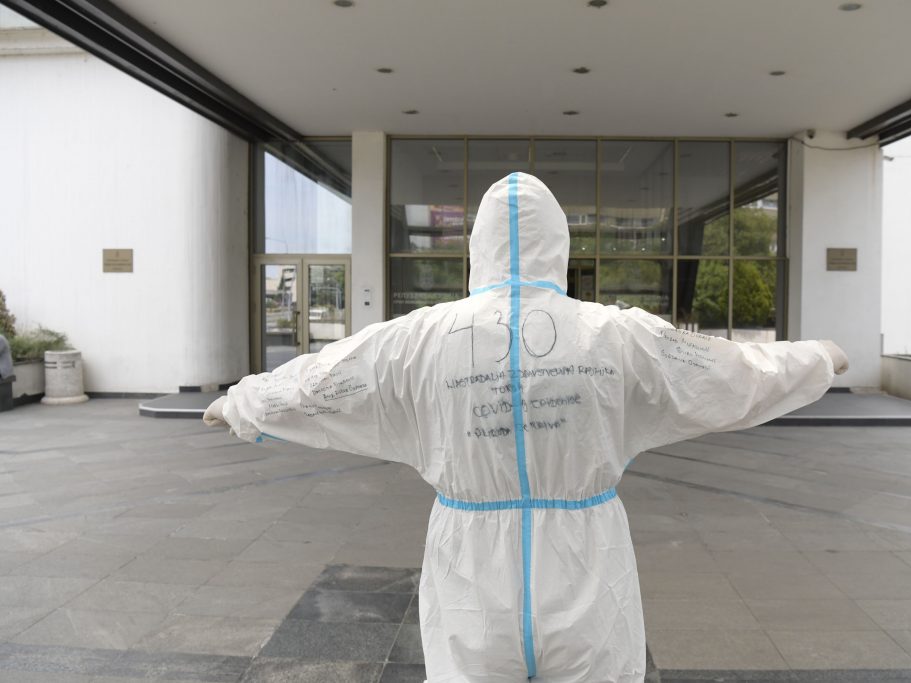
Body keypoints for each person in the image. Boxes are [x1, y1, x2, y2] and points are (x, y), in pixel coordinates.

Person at [205, 172, 848, 682]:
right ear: (560, 245)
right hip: (587, 565)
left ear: (477, 247)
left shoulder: (419, 339)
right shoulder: (613, 333)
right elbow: (726, 372)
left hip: (469, 573)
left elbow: (321, 380)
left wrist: (242, 402)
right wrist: (817, 359)